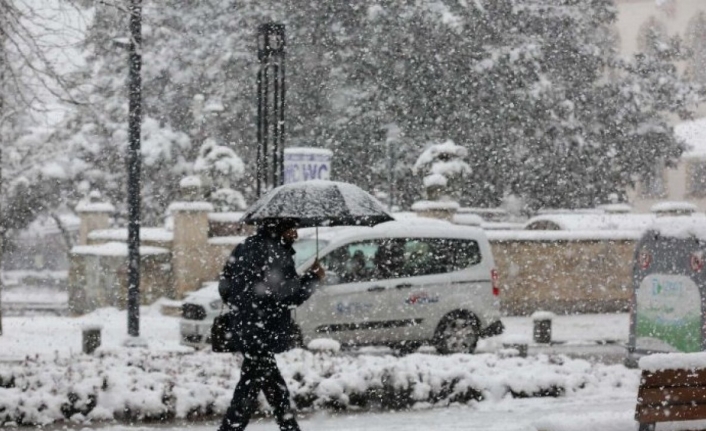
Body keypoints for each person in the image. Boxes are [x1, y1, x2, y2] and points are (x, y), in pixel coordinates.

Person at [218, 219, 325, 431]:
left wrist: (242, 308)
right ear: (280, 228)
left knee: (267, 380)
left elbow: (224, 285)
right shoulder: (277, 253)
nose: (296, 233)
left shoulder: (244, 246)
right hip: (264, 329)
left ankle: (288, 426)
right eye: (292, 227)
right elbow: (289, 296)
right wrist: (313, 278)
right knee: (251, 384)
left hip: (246, 326)